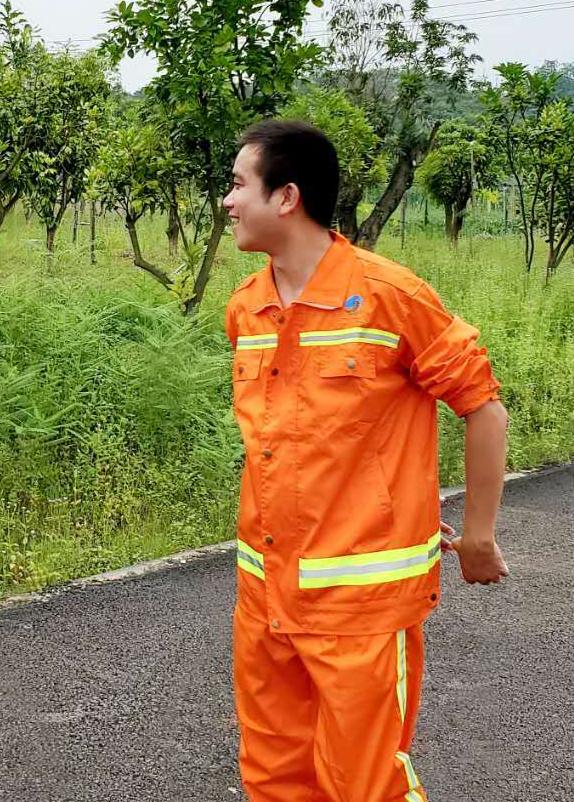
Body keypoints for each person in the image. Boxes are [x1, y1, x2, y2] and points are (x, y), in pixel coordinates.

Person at [222, 119, 511, 801]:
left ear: (286, 197)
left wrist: (477, 534)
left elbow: (483, 407)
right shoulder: (247, 308)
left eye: (239, 184)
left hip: (361, 605)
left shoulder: (390, 297)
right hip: (265, 598)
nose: (227, 201)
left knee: (366, 784)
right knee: (273, 778)